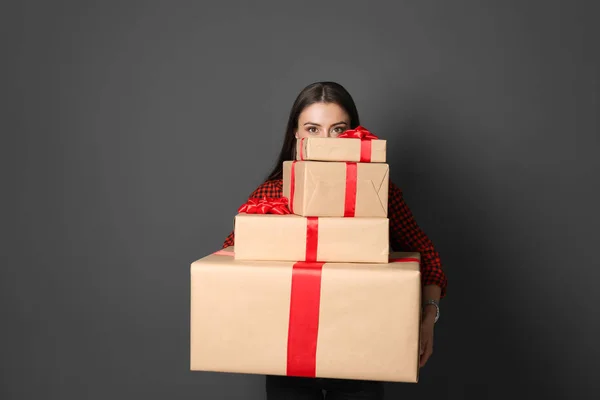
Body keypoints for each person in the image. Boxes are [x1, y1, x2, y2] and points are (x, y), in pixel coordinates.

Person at [222, 81, 447, 400]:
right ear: (297, 135)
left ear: (354, 136)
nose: (326, 142)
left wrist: (428, 319)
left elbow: (428, 257)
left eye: (337, 130)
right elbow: (229, 262)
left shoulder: (376, 193)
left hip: (360, 357)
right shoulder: (272, 195)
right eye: (313, 129)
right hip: (289, 365)